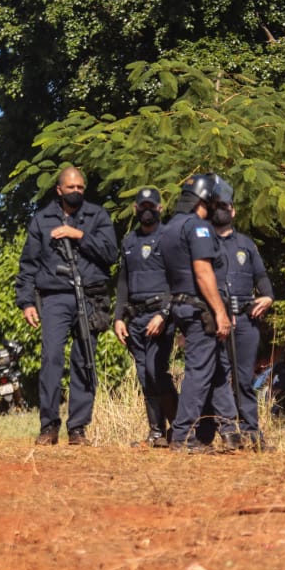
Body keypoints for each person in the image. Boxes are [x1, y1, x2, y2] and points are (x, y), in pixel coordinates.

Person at [16, 166, 118, 446]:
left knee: (85, 359)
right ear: (59, 190)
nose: (76, 192)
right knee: (51, 359)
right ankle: (48, 426)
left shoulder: (97, 216)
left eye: (81, 188)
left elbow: (110, 253)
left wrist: (79, 236)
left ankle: (78, 428)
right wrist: (26, 302)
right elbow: (28, 265)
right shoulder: (42, 220)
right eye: (71, 188)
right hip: (55, 297)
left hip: (90, 296)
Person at [158, 173, 238, 453]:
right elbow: (203, 273)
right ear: (206, 200)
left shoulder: (169, 228)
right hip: (200, 308)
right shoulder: (198, 228)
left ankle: (230, 432)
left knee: (215, 368)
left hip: (181, 305)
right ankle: (182, 435)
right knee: (199, 372)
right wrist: (220, 312)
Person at [209, 180, 275, 451]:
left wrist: (268, 296)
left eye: (225, 206)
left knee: (245, 378)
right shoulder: (204, 244)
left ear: (233, 211)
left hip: (246, 321)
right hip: (215, 320)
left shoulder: (246, 244)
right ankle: (227, 430)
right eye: (217, 207)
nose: (222, 211)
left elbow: (261, 276)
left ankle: (251, 433)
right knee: (218, 375)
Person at [113, 187, 178, 448]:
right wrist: (118, 317)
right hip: (136, 319)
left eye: (152, 206)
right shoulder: (129, 241)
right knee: (143, 375)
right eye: (143, 206)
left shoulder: (170, 239)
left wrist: (164, 314)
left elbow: (179, 281)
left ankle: (182, 427)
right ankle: (156, 433)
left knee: (156, 371)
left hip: (161, 317)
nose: (147, 210)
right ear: (135, 209)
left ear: (160, 209)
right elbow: (123, 282)